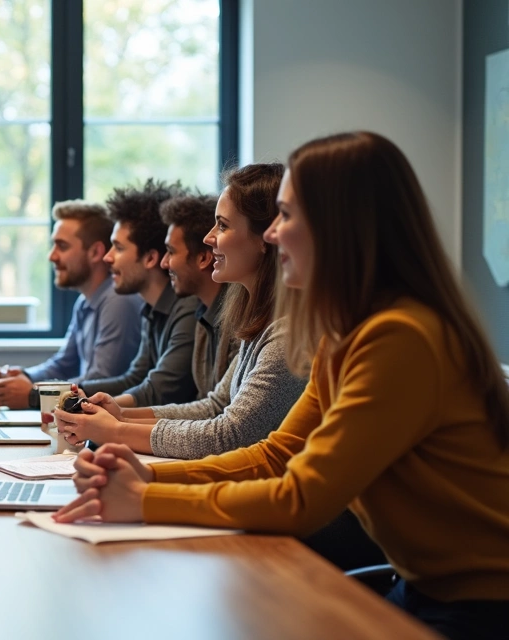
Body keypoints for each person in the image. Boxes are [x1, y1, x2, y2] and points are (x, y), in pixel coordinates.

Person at [57, 132, 509, 639]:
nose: (272, 234)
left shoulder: (399, 337)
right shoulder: (346, 335)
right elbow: (275, 455)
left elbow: (300, 498)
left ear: (339, 229)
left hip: (482, 605)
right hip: (426, 588)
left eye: (287, 216)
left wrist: (143, 499)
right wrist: (149, 479)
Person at [54, 164, 306, 460]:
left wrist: (116, 430)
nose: (209, 239)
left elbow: (229, 435)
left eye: (222, 226)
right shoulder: (257, 321)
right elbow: (215, 405)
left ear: (267, 238)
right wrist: (121, 415)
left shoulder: (287, 334)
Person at [0, 200, 143, 410]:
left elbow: (101, 381)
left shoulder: (118, 301)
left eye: (62, 246)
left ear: (96, 252)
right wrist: (23, 376)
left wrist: (35, 394)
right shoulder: (85, 301)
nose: (52, 256)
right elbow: (64, 363)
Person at [76, 179, 199, 408]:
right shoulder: (151, 308)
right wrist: (72, 394)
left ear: (150, 258)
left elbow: (160, 390)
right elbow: (135, 378)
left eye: (119, 248)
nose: (107, 257)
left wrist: (81, 402)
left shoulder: (188, 308)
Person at [159, 193, 237, 399]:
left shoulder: (240, 321)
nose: (164, 263)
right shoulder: (203, 312)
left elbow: (219, 413)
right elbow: (206, 405)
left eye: (171, 252)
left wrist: (119, 424)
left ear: (203, 258)